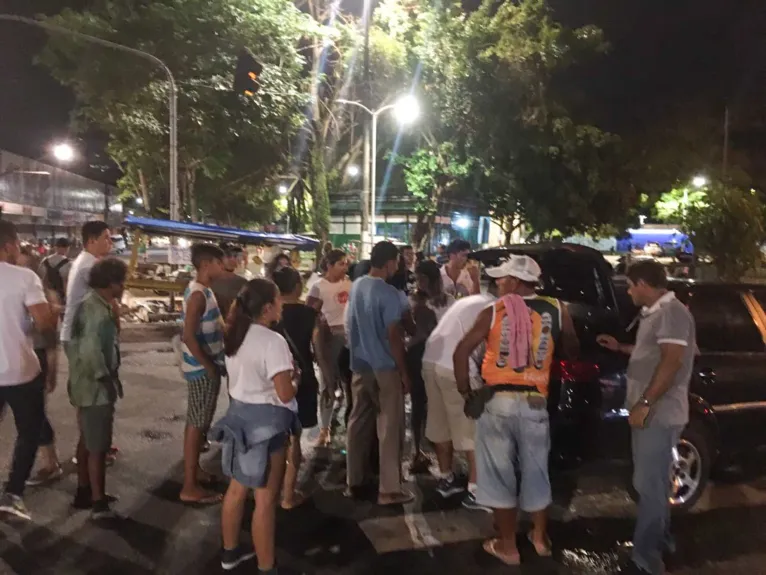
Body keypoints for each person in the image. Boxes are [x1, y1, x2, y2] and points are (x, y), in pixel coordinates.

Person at [453, 255, 579, 566]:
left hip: (498, 403)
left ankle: (508, 547)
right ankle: (539, 538)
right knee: (537, 471)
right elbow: (573, 349)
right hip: (536, 402)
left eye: (502, 278)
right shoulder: (558, 309)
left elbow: (460, 352)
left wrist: (466, 392)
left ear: (516, 282)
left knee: (499, 475)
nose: (497, 283)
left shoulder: (494, 311)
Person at [597, 261, 695, 575]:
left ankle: (646, 559)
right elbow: (653, 353)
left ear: (643, 283)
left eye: (629, 285)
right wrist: (622, 347)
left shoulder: (673, 312)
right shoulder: (656, 313)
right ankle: (660, 540)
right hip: (651, 412)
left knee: (650, 485)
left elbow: (672, 361)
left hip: (659, 413)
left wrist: (645, 403)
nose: (627, 291)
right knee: (650, 482)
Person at [213, 279, 298, 573]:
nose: (282, 304)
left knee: (236, 491)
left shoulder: (235, 333)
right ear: (267, 307)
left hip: (238, 419)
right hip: (267, 426)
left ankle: (229, 553)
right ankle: (266, 566)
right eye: (278, 299)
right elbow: (285, 393)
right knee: (264, 500)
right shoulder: (273, 342)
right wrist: (296, 379)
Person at [345, 241, 412, 505]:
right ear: (389, 263)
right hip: (385, 366)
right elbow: (394, 335)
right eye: (397, 261)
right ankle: (389, 489)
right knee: (389, 426)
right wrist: (404, 372)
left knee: (358, 423)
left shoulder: (358, 285)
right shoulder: (388, 293)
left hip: (360, 364)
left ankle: (355, 480)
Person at [420, 285, 496, 510]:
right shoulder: (493, 309)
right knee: (472, 430)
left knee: (440, 423)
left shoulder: (470, 301)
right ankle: (476, 490)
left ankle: (446, 478)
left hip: (430, 361)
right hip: (454, 366)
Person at [0, 221, 58, 520]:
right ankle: (12, 494)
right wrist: (48, 311)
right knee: (28, 432)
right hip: (20, 371)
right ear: (9, 245)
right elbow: (44, 323)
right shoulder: (25, 277)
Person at [68, 258, 127, 520]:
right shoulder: (96, 311)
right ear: (112, 283)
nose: (124, 286)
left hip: (83, 383)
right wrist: (105, 379)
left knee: (87, 439)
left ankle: (84, 490)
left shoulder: (96, 305)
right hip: (95, 386)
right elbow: (92, 351)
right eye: (121, 281)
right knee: (98, 445)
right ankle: (98, 503)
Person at [61, 221, 119, 466]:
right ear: (92, 240)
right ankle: (90, 450)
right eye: (107, 238)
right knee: (93, 397)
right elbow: (110, 296)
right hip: (82, 338)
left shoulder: (82, 261)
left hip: (76, 334)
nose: (111, 242)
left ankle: (93, 446)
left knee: (87, 397)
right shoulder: (90, 265)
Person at [272, 266, 328, 509]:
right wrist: (328, 376)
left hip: (273, 380)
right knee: (294, 438)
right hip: (302, 381)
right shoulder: (309, 314)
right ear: (297, 287)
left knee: (276, 438)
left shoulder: (268, 313)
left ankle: (268, 491)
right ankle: (287, 495)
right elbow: (318, 350)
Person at [179, 243, 227, 505]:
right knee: (197, 424)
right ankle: (189, 486)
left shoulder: (204, 290)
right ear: (207, 264)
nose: (223, 267)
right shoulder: (198, 294)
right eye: (219, 263)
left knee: (198, 421)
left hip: (206, 365)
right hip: (200, 369)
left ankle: (194, 471)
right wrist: (208, 365)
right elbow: (188, 335)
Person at [16, 247, 63, 488]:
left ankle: (50, 463)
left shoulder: (47, 297)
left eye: (24, 265)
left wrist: (53, 371)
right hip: (17, 359)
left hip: (37, 358)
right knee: (31, 415)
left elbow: (51, 340)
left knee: (35, 414)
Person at [406, 260, 455, 474]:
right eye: (417, 278)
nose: (419, 283)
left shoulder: (449, 301)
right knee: (418, 405)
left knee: (441, 406)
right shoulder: (412, 299)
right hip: (418, 357)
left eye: (423, 278)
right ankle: (417, 451)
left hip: (441, 358)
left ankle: (442, 453)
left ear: (433, 279)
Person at [306, 249, 352, 445]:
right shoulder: (318, 287)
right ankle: (325, 429)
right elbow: (309, 315)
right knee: (327, 383)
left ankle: (350, 423)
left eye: (346, 263)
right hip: (330, 338)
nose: (345, 267)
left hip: (349, 339)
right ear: (329, 266)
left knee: (350, 383)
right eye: (341, 263)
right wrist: (315, 343)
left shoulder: (350, 284)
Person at [212, 243, 249, 319]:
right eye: (230, 256)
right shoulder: (242, 282)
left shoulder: (210, 278)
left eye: (237, 256)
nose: (238, 260)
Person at [39, 237, 71, 304]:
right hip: (61, 297)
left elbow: (41, 279)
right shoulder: (68, 263)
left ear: (56, 247)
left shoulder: (45, 261)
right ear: (67, 248)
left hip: (47, 297)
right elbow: (66, 282)